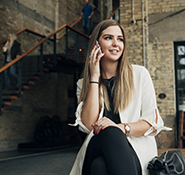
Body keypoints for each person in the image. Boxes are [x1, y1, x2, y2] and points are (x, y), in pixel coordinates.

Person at [69, 19, 171, 175]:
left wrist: (121, 128)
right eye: (108, 38)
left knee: (99, 167)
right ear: (97, 44)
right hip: (96, 146)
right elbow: (88, 125)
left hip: (134, 151)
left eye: (120, 39)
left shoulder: (139, 74)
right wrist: (94, 77)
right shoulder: (83, 84)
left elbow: (152, 122)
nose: (116, 43)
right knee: (109, 133)